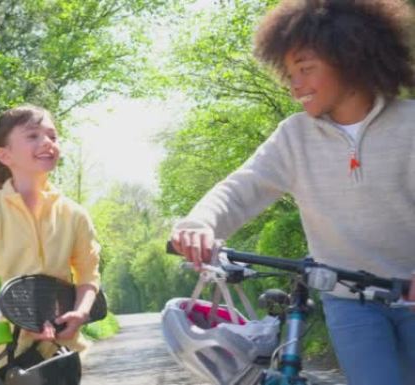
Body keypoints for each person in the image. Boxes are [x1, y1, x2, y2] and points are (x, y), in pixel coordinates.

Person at [170, 1, 415, 384]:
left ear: (350, 59)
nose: (293, 83)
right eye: (289, 73)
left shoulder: (409, 125)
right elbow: (241, 187)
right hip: (349, 303)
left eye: (305, 69)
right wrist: (200, 223)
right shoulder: (293, 136)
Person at [0, 105, 101, 382]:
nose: (47, 142)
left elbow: (88, 275)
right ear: (4, 155)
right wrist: (23, 322)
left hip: (61, 357)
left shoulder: (75, 214)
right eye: (32, 136)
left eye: (52, 136)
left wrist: (80, 313)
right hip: (0, 362)